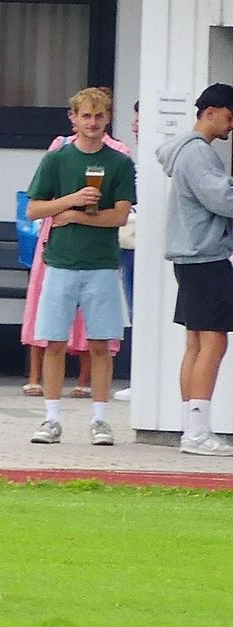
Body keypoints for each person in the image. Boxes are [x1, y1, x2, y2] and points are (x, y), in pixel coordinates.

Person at [26, 87, 135, 447]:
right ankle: (51, 418)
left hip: (102, 264)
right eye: (85, 116)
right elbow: (34, 209)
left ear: (108, 118)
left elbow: (119, 216)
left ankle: (100, 420)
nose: (92, 123)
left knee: (101, 343)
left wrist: (74, 216)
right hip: (59, 262)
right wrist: (71, 202)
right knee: (54, 341)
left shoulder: (119, 163)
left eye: (99, 116)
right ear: (73, 118)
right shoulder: (57, 159)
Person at [155, 83, 233, 456]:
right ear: (211, 111)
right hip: (206, 256)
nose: (231, 127)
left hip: (189, 258)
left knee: (196, 342)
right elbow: (223, 199)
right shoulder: (199, 154)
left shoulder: (185, 151)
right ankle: (198, 434)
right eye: (230, 117)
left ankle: (192, 429)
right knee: (214, 341)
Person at [113, 99, 141, 403]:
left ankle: (143, 376)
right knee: (134, 309)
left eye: (139, 118)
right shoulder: (135, 159)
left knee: (141, 308)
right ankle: (139, 375)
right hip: (129, 243)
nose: (135, 124)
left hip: (142, 243)